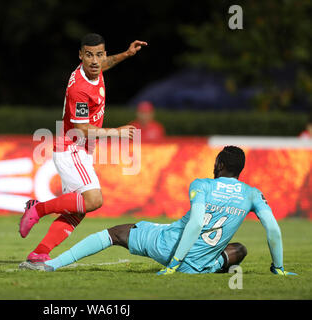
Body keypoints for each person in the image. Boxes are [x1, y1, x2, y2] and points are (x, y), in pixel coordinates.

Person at [19, 146, 297, 276]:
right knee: (240, 249)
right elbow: (273, 229)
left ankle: (51, 264)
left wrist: (174, 264)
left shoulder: (202, 184)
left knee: (115, 233)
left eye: (216, 162)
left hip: (171, 248)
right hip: (204, 262)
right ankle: (208, 267)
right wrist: (279, 268)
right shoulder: (252, 193)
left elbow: (197, 222)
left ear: (220, 164)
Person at [19, 33, 148, 263]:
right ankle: (38, 209)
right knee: (94, 200)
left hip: (82, 150)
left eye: (99, 54)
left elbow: (105, 64)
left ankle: (40, 252)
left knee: (78, 211)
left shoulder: (95, 70)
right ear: (80, 55)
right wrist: (117, 132)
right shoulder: (79, 88)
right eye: (89, 55)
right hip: (71, 148)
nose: (96, 61)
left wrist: (127, 54)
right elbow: (81, 129)